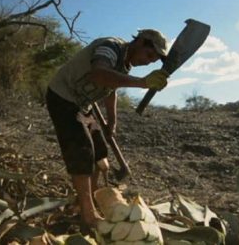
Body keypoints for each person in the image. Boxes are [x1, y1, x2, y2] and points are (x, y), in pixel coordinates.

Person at [45, 29, 169, 226]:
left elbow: (111, 88)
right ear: (141, 42)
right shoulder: (111, 47)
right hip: (62, 96)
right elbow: (99, 74)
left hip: (81, 105)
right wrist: (142, 82)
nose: (149, 61)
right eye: (149, 55)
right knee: (82, 150)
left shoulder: (125, 65)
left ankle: (85, 201)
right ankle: (88, 215)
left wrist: (112, 121)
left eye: (153, 61)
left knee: (100, 152)